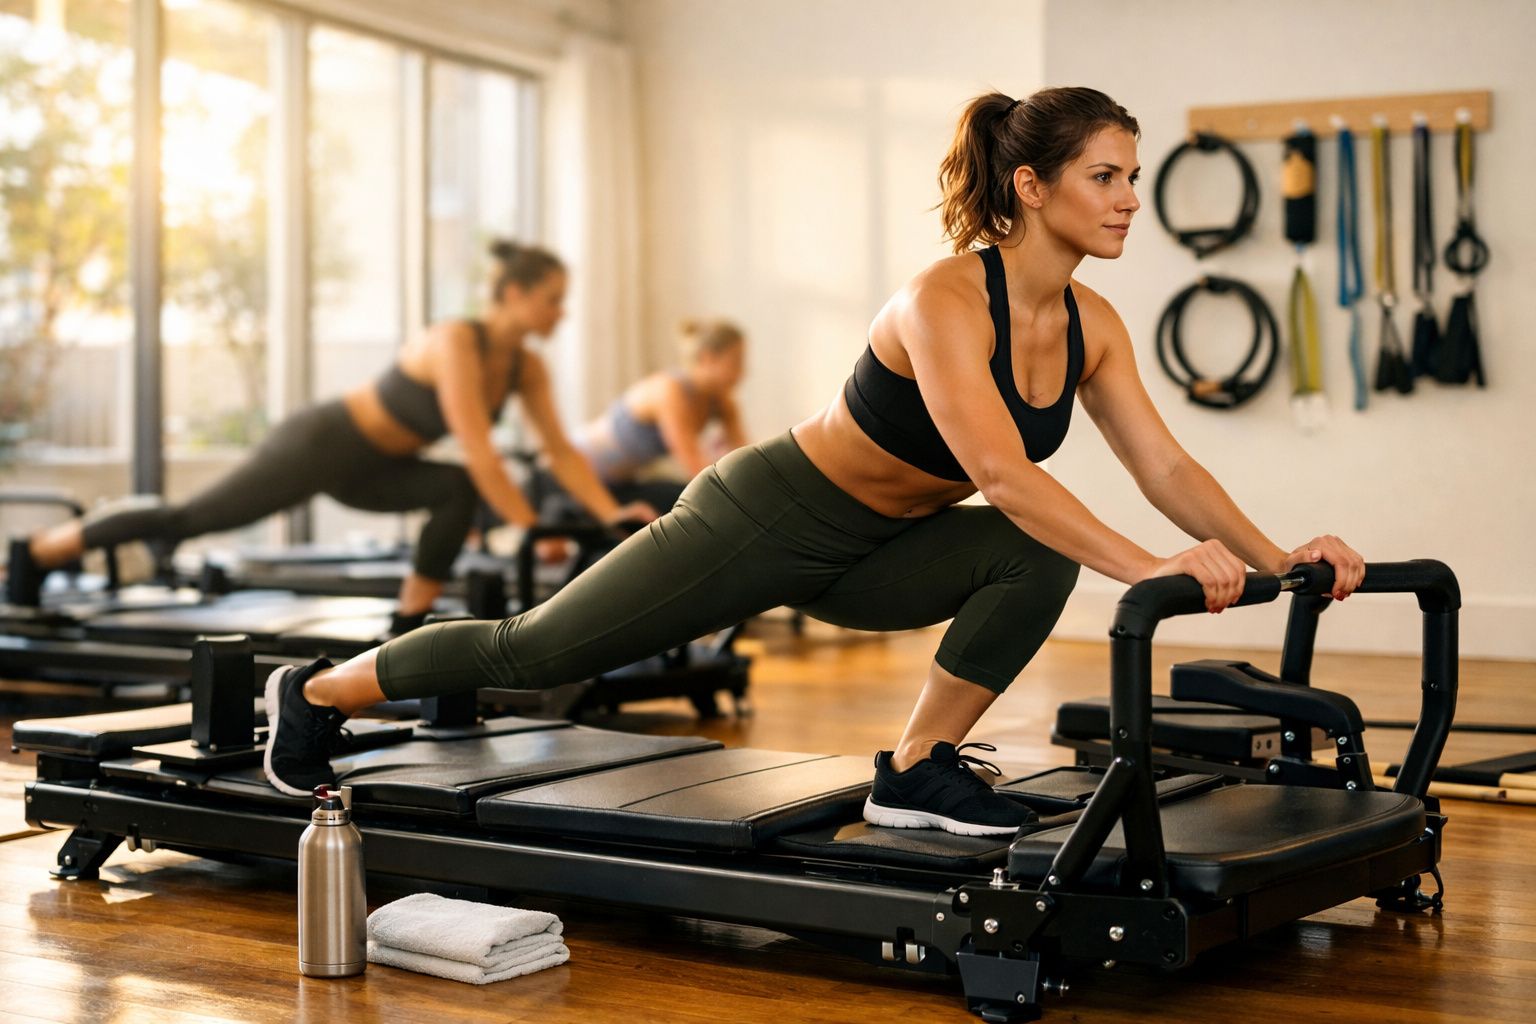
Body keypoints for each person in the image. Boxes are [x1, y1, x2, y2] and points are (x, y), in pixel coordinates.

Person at [261, 87, 1365, 833]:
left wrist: (1275, 556)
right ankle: (313, 690)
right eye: (1108, 176)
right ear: (1033, 187)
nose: (1131, 199)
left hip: (880, 550)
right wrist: (1156, 570)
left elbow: (1164, 464)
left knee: (1033, 562)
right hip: (767, 515)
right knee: (532, 648)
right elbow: (1010, 474)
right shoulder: (942, 298)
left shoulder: (1096, 324)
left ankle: (916, 769)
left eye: (1133, 176)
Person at [6, 241, 655, 631]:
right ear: (513, 294)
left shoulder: (525, 366)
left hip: (374, 470)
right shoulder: (455, 341)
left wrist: (609, 511)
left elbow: (562, 452)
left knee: (453, 490)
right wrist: (521, 526)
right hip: (320, 443)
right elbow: (480, 446)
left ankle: (407, 624)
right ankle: (34, 553)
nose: (560, 314)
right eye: (552, 300)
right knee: (187, 519)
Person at [568, 318, 749, 514]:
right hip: (574, 476)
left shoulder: (721, 403)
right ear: (707, 358)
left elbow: (744, 456)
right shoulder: (670, 390)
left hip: (619, 485)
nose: (741, 373)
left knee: (673, 498)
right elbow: (693, 463)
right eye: (735, 362)